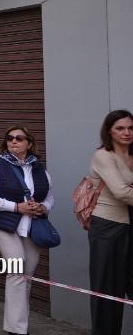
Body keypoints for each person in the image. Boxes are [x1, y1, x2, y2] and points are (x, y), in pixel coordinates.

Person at [0, 125, 54, 335]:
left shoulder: (39, 169)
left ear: (29, 143)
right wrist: (15, 207)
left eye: (19, 138)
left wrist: (43, 207)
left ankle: (19, 323)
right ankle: (16, 329)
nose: (13, 141)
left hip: (31, 226)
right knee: (17, 267)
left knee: (26, 275)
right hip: (2, 224)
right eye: (10, 138)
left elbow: (49, 196)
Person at [87, 109, 133, 335]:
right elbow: (121, 192)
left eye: (131, 128)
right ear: (109, 131)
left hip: (130, 224)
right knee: (107, 288)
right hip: (107, 226)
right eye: (120, 128)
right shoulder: (103, 155)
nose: (127, 132)